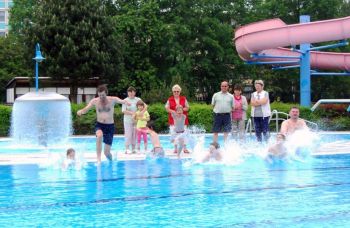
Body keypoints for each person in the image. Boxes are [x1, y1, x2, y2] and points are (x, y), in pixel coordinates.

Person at [77, 84, 130, 164]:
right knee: (99, 135)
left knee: (106, 153)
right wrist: (81, 111)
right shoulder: (95, 101)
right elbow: (86, 109)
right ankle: (98, 159)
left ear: (106, 93)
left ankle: (111, 161)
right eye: (100, 95)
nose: (101, 97)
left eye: (103, 95)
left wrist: (126, 102)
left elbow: (121, 101)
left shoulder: (112, 100)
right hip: (100, 125)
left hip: (110, 127)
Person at [165, 84, 190, 153]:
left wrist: (181, 110)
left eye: (177, 91)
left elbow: (187, 107)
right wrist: (174, 111)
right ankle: (175, 148)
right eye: (174, 91)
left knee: (184, 134)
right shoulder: (170, 99)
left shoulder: (184, 98)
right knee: (174, 134)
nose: (176, 93)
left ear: (180, 92)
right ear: (172, 92)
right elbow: (167, 108)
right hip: (173, 120)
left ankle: (185, 148)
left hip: (183, 120)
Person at [122, 86, 144, 154]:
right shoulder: (125, 100)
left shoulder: (138, 99)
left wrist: (140, 113)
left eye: (132, 92)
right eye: (129, 92)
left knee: (135, 134)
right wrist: (132, 113)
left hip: (136, 121)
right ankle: (127, 148)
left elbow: (144, 106)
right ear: (127, 93)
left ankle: (133, 148)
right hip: (127, 120)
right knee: (128, 134)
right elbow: (123, 111)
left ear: (135, 92)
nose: (131, 93)